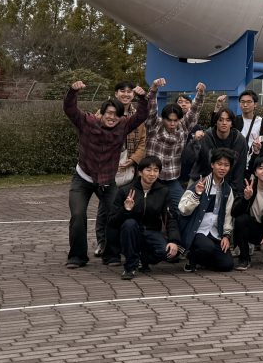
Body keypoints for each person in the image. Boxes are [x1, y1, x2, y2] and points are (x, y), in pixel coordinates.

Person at [63, 79, 151, 269]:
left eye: (116, 115)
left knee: (115, 214)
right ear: (101, 113)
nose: (112, 117)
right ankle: (77, 256)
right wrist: (72, 92)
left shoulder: (123, 125)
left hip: (107, 180)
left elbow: (142, 115)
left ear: (121, 117)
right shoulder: (87, 122)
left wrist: (143, 98)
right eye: (109, 113)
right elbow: (70, 109)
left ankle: (111, 254)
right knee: (78, 215)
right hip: (83, 177)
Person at [95, 80, 148, 260]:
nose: (126, 94)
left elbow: (143, 142)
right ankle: (103, 243)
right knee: (105, 207)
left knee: (126, 205)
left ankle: (121, 244)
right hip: (107, 166)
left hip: (129, 166)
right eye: (122, 91)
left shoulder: (138, 114)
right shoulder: (104, 111)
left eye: (129, 91)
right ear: (116, 93)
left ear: (133, 94)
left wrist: (133, 160)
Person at [108, 155, 181, 280]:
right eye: (148, 170)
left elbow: (171, 218)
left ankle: (142, 258)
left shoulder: (163, 191)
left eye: (156, 170)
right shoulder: (125, 191)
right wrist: (126, 210)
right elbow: (112, 221)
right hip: (130, 233)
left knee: (167, 252)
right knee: (129, 224)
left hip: (152, 231)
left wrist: (174, 241)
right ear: (140, 172)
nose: (152, 174)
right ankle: (130, 267)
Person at [144, 80, 207, 210]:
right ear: (163, 118)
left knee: (181, 208)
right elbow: (151, 108)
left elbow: (194, 111)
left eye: (175, 120)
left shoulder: (183, 126)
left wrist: (200, 93)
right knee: (150, 209)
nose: (172, 123)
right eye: (169, 120)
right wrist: (154, 88)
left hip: (172, 178)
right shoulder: (154, 125)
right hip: (152, 178)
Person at [178, 147, 236, 273]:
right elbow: (183, 209)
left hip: (215, 232)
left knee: (227, 265)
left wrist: (226, 236)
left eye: (226, 165)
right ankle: (192, 259)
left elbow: (228, 216)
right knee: (206, 247)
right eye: (219, 164)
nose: (222, 168)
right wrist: (197, 194)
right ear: (212, 165)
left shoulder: (227, 189)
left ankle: (204, 261)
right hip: (197, 231)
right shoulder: (199, 184)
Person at [192, 108, 248, 189]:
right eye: (221, 120)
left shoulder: (240, 140)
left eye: (228, 120)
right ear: (216, 122)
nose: (224, 123)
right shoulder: (206, 137)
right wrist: (195, 142)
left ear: (232, 123)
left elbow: (240, 168)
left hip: (229, 183)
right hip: (203, 180)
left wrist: (235, 191)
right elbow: (193, 159)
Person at [235, 89, 263, 157]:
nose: (245, 105)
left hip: (255, 158)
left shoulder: (261, 122)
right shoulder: (234, 121)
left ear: (255, 104)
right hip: (237, 158)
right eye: (242, 102)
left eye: (249, 102)